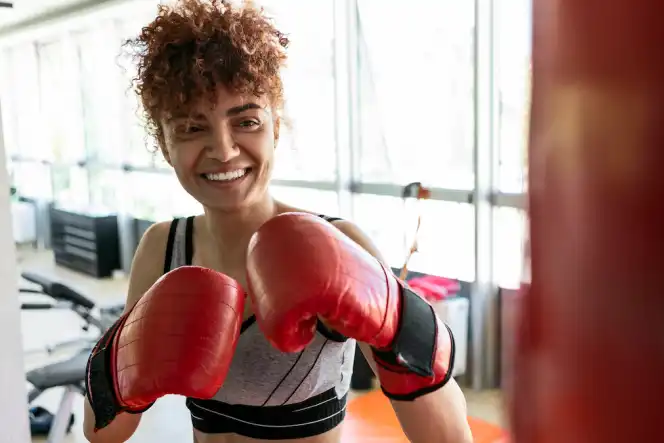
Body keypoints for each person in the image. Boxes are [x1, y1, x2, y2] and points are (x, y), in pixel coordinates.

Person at [82, 1, 473, 442]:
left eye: (246, 120)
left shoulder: (337, 240)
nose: (224, 150)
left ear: (275, 128)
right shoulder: (162, 248)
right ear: (164, 143)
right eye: (192, 128)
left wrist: (394, 322)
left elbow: (448, 437)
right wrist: (121, 372)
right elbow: (105, 435)